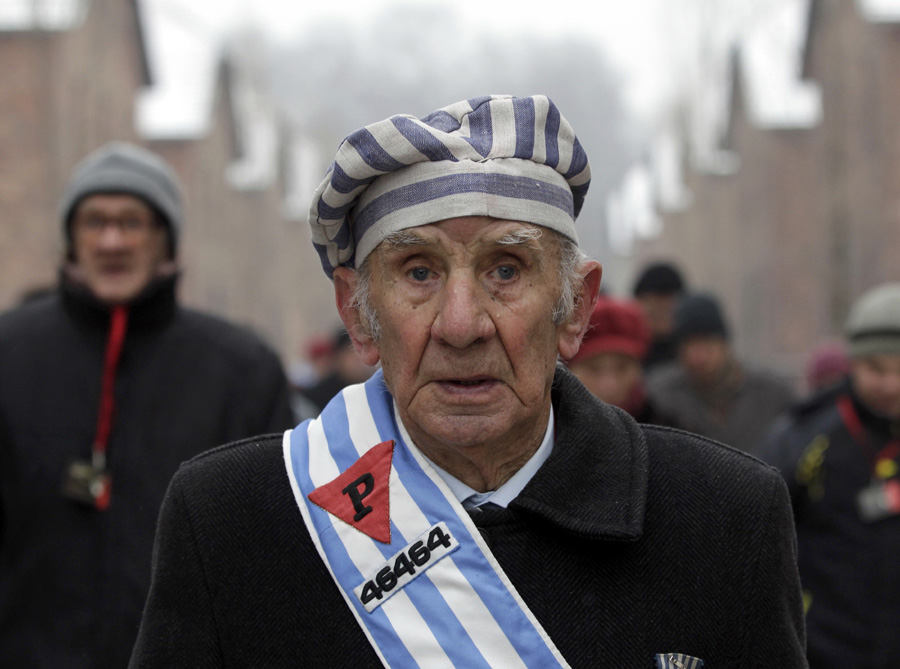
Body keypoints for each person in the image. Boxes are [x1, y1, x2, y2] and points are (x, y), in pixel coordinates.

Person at [131, 95, 806, 668]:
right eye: (418, 271)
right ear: (357, 316)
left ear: (574, 308)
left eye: (507, 268)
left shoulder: (727, 520)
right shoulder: (230, 521)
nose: (462, 325)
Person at [0, 142, 294, 667]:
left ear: (166, 240)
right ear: (71, 238)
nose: (112, 241)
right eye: (95, 221)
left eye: (132, 222)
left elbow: (270, 554)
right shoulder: (9, 353)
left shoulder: (242, 369)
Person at [762, 282, 900, 667]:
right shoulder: (806, 436)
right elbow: (761, 530)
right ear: (853, 363)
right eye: (875, 369)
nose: (890, 384)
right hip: (827, 648)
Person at [647, 291, 795, 456]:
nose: (698, 355)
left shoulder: (773, 394)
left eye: (707, 342)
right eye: (689, 345)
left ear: (724, 343)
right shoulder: (660, 395)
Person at [567, 295, 681, 427]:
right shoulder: (547, 435)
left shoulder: (668, 430)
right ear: (569, 369)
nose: (609, 385)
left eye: (622, 368)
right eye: (593, 369)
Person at [632, 261, 686, 371]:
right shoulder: (628, 352)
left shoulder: (691, 356)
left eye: (667, 307)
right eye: (653, 305)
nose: (661, 312)